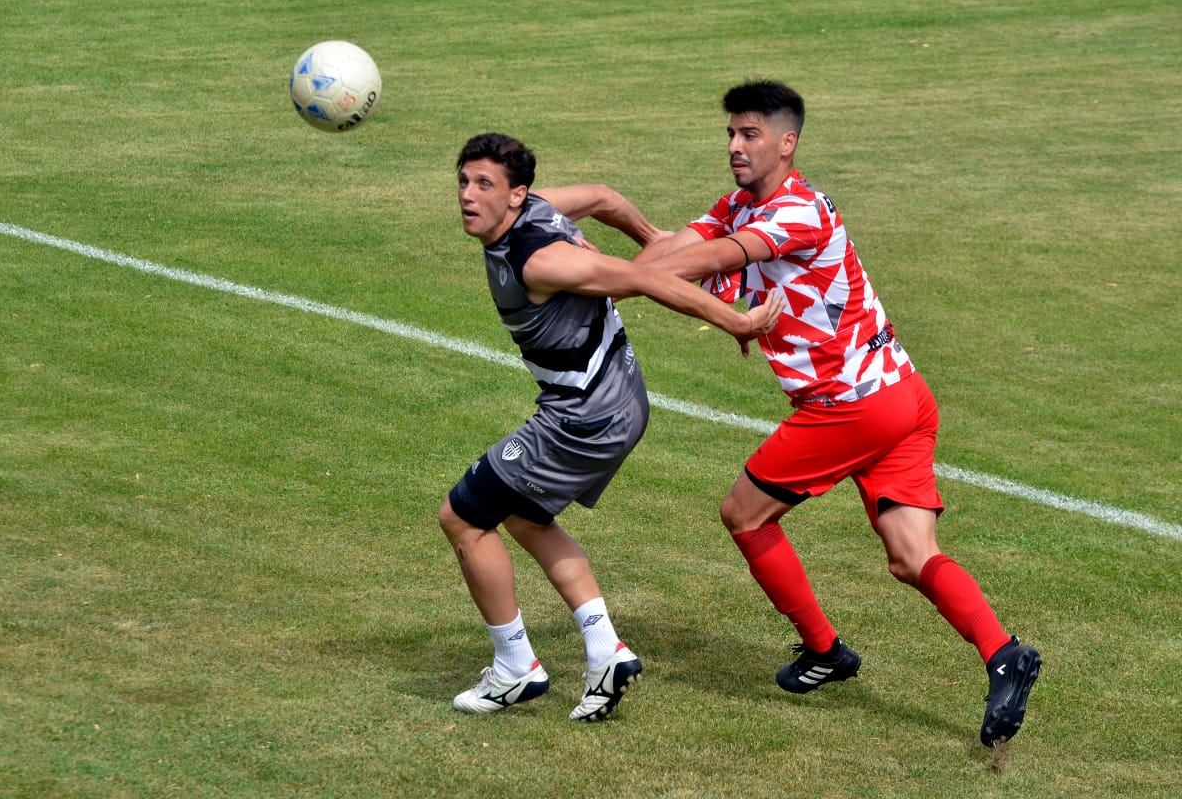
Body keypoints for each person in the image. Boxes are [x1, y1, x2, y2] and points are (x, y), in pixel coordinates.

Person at [633, 81, 1041, 746]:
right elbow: (679, 243)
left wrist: (616, 284)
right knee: (912, 555)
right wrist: (607, 280)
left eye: (751, 134)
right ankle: (1004, 654)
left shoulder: (796, 213)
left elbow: (710, 258)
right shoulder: (741, 203)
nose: (735, 146)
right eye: (731, 134)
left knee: (743, 514)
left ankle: (824, 649)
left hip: (850, 408)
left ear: (787, 143)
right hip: (903, 396)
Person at [443, 132, 784, 721]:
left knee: (465, 518)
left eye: (484, 185)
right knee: (526, 517)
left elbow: (647, 281)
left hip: (583, 416)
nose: (468, 196)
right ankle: (606, 651)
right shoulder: (536, 208)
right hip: (614, 399)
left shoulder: (542, 261)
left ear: (515, 195)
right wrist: (653, 237)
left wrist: (737, 322)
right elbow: (602, 196)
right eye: (464, 182)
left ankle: (514, 668)